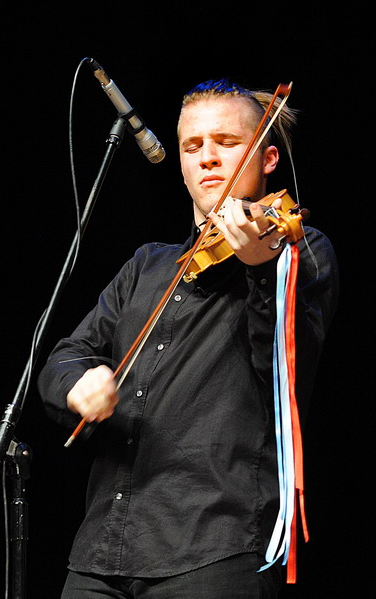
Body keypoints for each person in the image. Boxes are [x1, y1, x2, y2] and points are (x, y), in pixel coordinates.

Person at [38, 78, 339, 598]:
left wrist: (260, 271)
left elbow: (285, 372)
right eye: (192, 146)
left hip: (215, 549)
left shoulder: (297, 251)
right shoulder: (147, 265)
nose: (207, 158)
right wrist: (77, 385)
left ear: (268, 158)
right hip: (101, 551)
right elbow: (67, 355)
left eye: (227, 142)